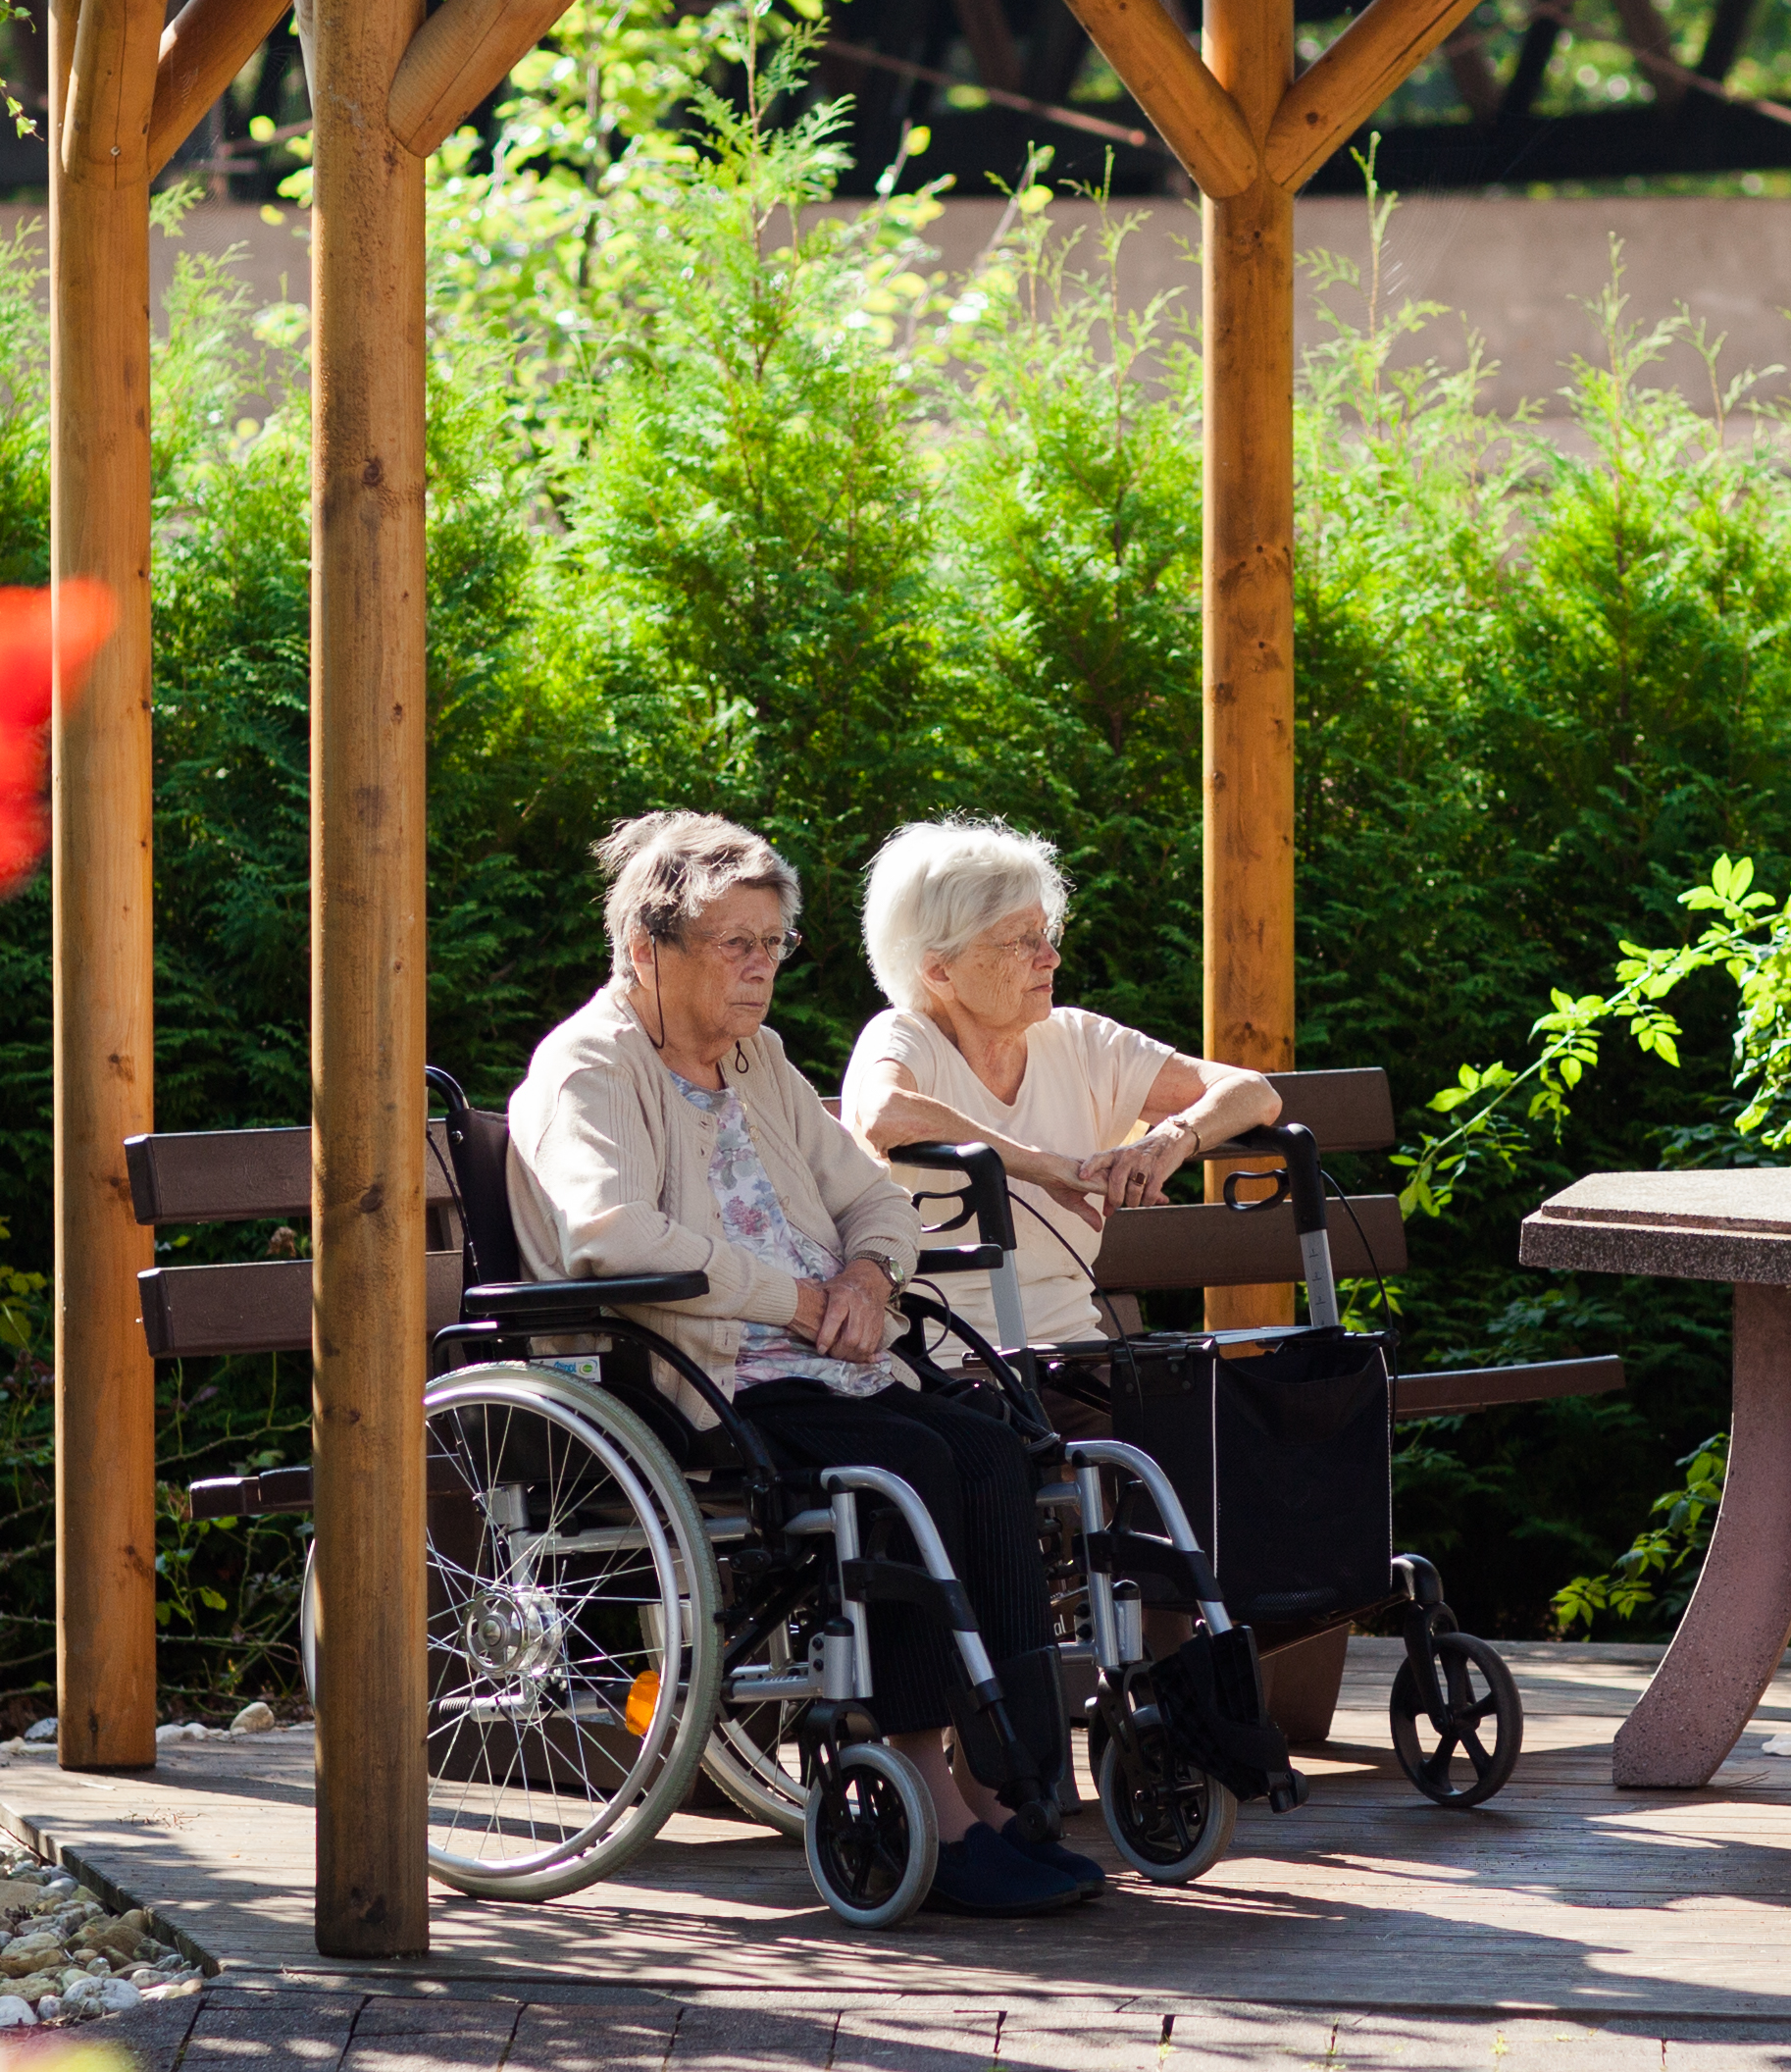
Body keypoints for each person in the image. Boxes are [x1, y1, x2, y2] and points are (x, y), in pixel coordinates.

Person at [503, 808, 1104, 1918]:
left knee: (991, 1447)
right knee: (911, 1466)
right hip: (701, 1378)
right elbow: (608, 1235)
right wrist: (798, 1295)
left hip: (824, 1360)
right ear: (647, 948)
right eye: (735, 944)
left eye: (773, 944)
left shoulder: (759, 1062)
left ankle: (1008, 1776)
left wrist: (870, 1279)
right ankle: (926, 1786)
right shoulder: (585, 1068)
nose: (760, 970)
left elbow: (876, 1196)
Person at [836, 818, 1281, 1345]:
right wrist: (1046, 1168)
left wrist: (1172, 1137)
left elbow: (1255, 1093)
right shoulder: (906, 1037)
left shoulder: (1076, 1040)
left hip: (1077, 1357)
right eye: (1020, 942)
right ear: (940, 972)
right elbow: (885, 1114)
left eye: (1046, 933)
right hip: (944, 1366)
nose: (1051, 957)